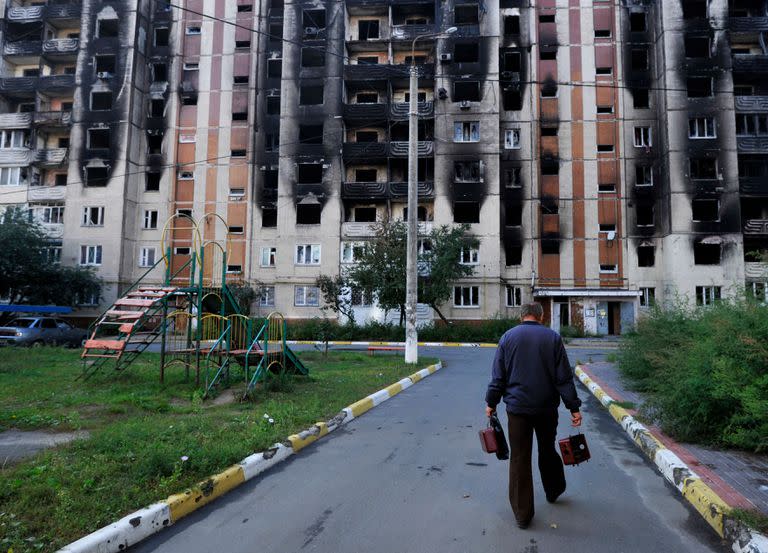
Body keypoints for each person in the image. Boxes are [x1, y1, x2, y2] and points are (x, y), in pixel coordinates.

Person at [485, 302, 583, 529]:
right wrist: (573, 407)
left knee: (519, 458)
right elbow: (563, 378)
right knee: (547, 449)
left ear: (521, 316)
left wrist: (491, 402)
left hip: (518, 410)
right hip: (547, 408)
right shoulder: (553, 338)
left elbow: (498, 377)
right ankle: (554, 490)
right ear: (541, 316)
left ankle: (522, 515)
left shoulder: (508, 338)